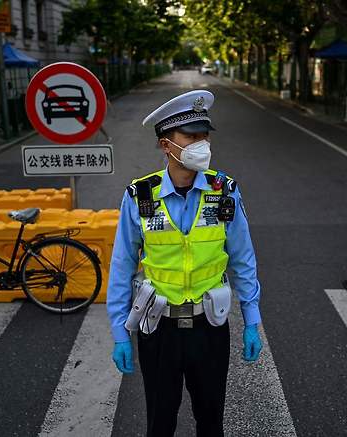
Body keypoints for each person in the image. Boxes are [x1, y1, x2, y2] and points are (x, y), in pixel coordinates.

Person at [106, 89, 263, 437]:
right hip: (159, 330)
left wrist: (252, 319)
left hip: (210, 327)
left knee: (211, 422)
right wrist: (120, 331)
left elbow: (242, 258)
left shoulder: (224, 192)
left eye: (204, 136)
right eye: (191, 137)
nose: (202, 144)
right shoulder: (140, 196)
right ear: (166, 145)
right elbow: (122, 265)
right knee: (160, 424)